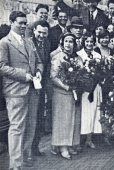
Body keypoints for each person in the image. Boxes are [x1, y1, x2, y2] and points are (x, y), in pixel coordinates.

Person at [0, 11, 43, 169]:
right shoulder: (5, 42)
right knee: (17, 127)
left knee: (30, 125)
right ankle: (15, 165)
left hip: (32, 89)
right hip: (15, 91)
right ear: (12, 22)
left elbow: (38, 62)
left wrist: (38, 71)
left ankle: (25, 157)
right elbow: (2, 66)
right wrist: (24, 76)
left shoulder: (29, 42)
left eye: (26, 23)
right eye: (21, 23)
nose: (24, 25)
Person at [50, 32, 83, 160]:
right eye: (67, 41)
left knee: (73, 119)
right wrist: (66, 86)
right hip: (62, 93)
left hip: (74, 93)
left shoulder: (77, 58)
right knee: (62, 120)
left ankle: (70, 144)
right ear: (62, 43)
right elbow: (54, 76)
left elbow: (82, 73)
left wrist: (78, 84)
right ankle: (62, 146)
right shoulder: (57, 57)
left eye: (71, 41)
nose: (69, 44)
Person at [77, 32, 102, 149]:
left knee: (93, 112)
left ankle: (89, 139)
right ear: (83, 42)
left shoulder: (97, 55)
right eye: (87, 41)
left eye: (91, 42)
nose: (89, 44)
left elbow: (101, 70)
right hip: (84, 89)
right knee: (84, 113)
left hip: (95, 87)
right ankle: (80, 139)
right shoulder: (79, 55)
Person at [30, 20, 51, 157]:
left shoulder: (47, 43)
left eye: (44, 33)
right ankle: (27, 149)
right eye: (39, 32)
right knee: (30, 118)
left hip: (42, 84)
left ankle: (35, 147)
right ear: (34, 31)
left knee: (39, 117)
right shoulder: (28, 43)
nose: (41, 35)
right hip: (30, 84)